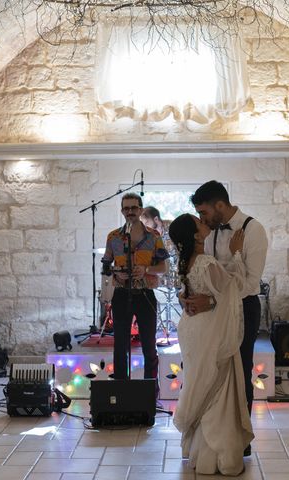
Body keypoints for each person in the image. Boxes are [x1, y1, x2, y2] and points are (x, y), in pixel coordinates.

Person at [184, 180, 268, 453]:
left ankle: (239, 442)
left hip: (243, 307)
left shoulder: (253, 229)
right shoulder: (207, 231)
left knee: (241, 371)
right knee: (215, 371)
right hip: (212, 311)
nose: (201, 219)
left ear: (219, 205)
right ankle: (213, 437)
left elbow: (250, 283)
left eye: (204, 212)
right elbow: (204, 273)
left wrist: (210, 300)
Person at [169, 213, 253, 475]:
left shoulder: (185, 263)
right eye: (200, 223)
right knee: (218, 387)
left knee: (199, 381)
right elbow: (234, 289)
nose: (205, 224)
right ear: (196, 235)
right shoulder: (206, 262)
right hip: (209, 330)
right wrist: (236, 254)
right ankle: (220, 457)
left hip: (192, 329)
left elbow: (188, 294)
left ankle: (199, 454)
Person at [101, 193, 169, 390]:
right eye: (126, 208)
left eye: (134, 208)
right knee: (120, 345)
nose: (130, 212)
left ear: (140, 210)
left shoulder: (154, 236)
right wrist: (115, 273)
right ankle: (121, 391)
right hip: (122, 294)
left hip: (146, 294)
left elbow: (163, 268)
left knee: (149, 344)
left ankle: (150, 392)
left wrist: (146, 269)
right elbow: (106, 266)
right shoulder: (113, 237)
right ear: (122, 211)